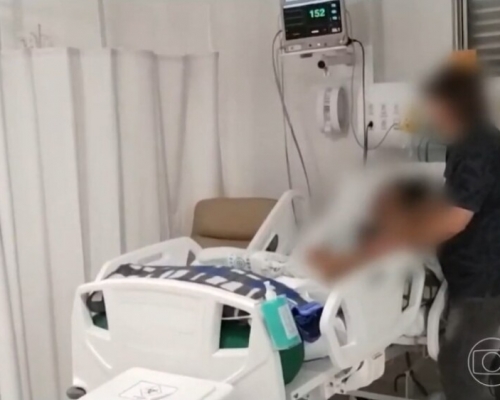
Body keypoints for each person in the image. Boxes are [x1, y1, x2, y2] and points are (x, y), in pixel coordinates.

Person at [308, 64, 500, 400]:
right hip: (475, 272)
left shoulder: (476, 146)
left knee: (461, 365)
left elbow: (455, 218)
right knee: (472, 362)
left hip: (482, 280)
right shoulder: (468, 142)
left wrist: (400, 240)